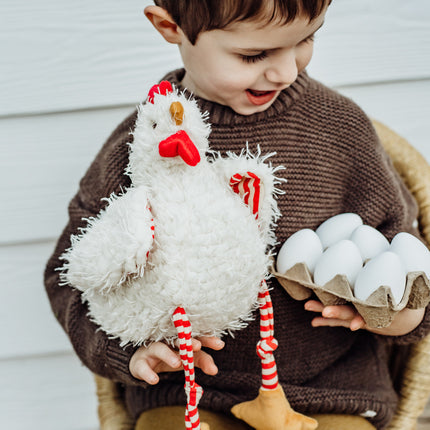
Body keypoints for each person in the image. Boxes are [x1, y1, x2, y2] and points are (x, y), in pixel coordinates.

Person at [44, 1, 430, 429]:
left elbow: (404, 256)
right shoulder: (143, 147)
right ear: (169, 26)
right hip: (189, 392)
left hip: (331, 394)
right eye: (253, 55)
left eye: (306, 40)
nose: (285, 71)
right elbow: (70, 279)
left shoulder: (341, 130)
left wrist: (400, 314)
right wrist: (129, 354)